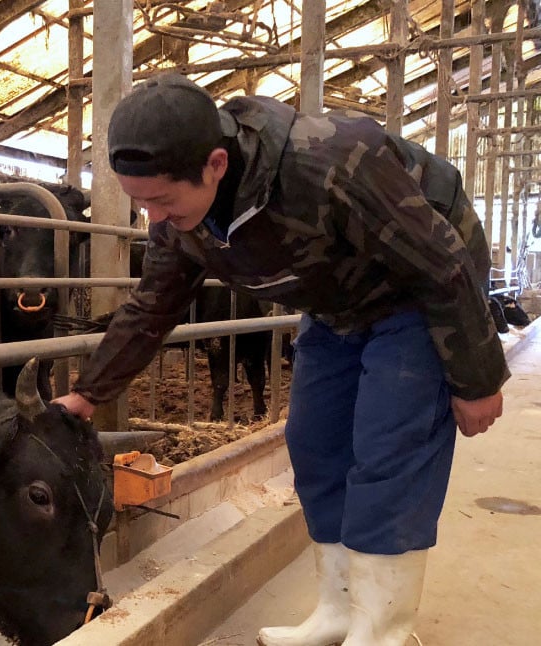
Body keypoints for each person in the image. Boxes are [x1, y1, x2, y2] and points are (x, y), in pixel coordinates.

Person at [51, 73, 508, 646]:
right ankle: (338, 613)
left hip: (418, 294)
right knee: (315, 443)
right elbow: (150, 308)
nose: (155, 220)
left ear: (216, 164)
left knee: (389, 448)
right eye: (140, 203)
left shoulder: (331, 162)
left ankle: (384, 630)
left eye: (161, 200)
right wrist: (86, 394)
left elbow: (442, 266)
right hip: (335, 302)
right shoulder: (181, 224)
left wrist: (477, 377)